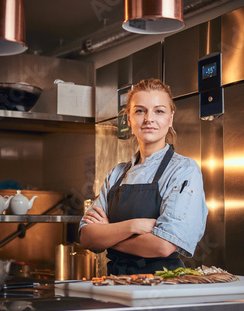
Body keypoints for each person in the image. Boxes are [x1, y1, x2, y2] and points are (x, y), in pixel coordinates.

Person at [79, 78, 208, 275]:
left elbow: (163, 246)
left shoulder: (183, 170)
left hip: (162, 286)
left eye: (159, 111)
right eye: (140, 111)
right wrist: (134, 226)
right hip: (115, 285)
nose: (149, 118)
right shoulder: (117, 174)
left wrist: (109, 234)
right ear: (128, 119)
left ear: (170, 118)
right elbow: (87, 238)